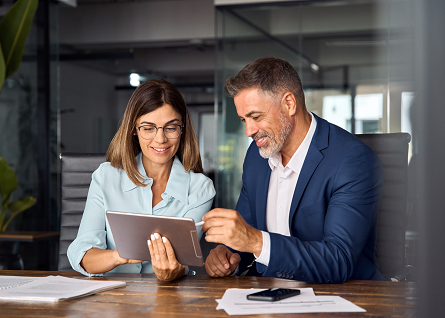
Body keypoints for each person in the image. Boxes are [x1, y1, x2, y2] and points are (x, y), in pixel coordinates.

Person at [201, 57, 385, 283]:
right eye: (243, 120)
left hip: (340, 297)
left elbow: (339, 260)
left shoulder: (352, 161)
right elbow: (247, 233)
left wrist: (256, 242)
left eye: (256, 117)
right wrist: (228, 255)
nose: (249, 131)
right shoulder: (256, 157)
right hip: (266, 294)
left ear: (289, 103)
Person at [68, 79, 215, 281]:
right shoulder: (105, 177)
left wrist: (172, 272)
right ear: (134, 130)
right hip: (112, 301)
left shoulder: (200, 189)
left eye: (171, 128)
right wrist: (121, 256)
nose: (160, 139)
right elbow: (82, 255)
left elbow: (183, 261)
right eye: (148, 128)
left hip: (170, 300)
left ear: (182, 129)